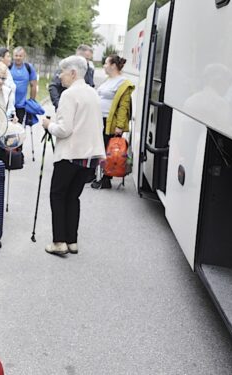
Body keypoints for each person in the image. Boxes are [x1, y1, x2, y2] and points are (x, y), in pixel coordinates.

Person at [41, 56, 105, 256]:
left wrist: (48, 125)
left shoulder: (69, 95)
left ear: (73, 73)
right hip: (89, 156)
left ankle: (59, 241)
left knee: (58, 195)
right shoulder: (93, 93)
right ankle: (72, 241)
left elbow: (64, 130)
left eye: (62, 72)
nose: (59, 76)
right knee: (73, 197)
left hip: (70, 154)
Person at [92, 55, 134, 189]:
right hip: (100, 119)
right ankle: (96, 175)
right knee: (100, 148)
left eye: (105, 63)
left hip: (111, 122)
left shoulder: (123, 83)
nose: (104, 66)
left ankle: (106, 179)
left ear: (113, 66)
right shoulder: (109, 79)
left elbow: (124, 106)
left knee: (108, 151)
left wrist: (120, 126)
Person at [49, 44, 95, 110]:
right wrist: (59, 105)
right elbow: (53, 87)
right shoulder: (65, 67)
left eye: (89, 59)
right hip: (66, 108)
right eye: (86, 59)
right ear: (78, 55)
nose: (87, 62)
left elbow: (91, 86)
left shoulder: (90, 70)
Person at [9, 46, 37, 125]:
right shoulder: (9, 67)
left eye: (20, 56)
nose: (18, 58)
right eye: (16, 55)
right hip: (8, 103)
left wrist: (32, 101)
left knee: (18, 126)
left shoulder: (29, 68)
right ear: (13, 56)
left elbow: (33, 85)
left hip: (21, 105)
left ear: (24, 56)